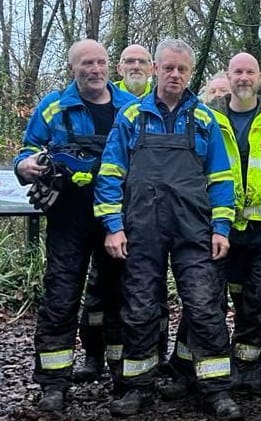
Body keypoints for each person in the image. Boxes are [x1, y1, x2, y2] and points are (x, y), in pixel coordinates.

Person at [94, 38, 241, 420]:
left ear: (190, 73)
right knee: (140, 307)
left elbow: (222, 180)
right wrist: (113, 226)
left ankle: (216, 389)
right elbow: (110, 175)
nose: (175, 75)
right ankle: (136, 386)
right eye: (168, 67)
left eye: (182, 69)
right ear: (156, 69)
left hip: (195, 231)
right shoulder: (131, 118)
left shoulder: (206, 120)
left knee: (205, 306)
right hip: (141, 230)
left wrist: (221, 227)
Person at [13, 39, 136, 411]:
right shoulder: (53, 107)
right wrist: (26, 166)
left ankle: (120, 372)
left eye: (100, 62)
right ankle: (53, 381)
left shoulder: (129, 108)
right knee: (61, 295)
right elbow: (25, 151)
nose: (94, 70)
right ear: (73, 68)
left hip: (116, 216)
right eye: (86, 64)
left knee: (118, 294)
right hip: (68, 216)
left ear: (108, 66)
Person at [76, 43, 159, 383]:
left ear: (152, 67)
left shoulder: (155, 107)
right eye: (129, 61)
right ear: (120, 68)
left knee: (138, 294)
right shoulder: (119, 106)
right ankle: (94, 356)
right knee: (97, 292)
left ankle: (135, 361)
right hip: (92, 214)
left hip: (139, 218)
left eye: (142, 61)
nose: (136, 66)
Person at [200, 52, 261, 393]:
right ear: (228, 77)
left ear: (259, 77)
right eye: (237, 72)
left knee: (258, 300)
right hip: (221, 224)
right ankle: (212, 367)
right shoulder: (208, 117)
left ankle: (249, 367)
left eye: (250, 72)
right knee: (211, 298)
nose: (243, 77)